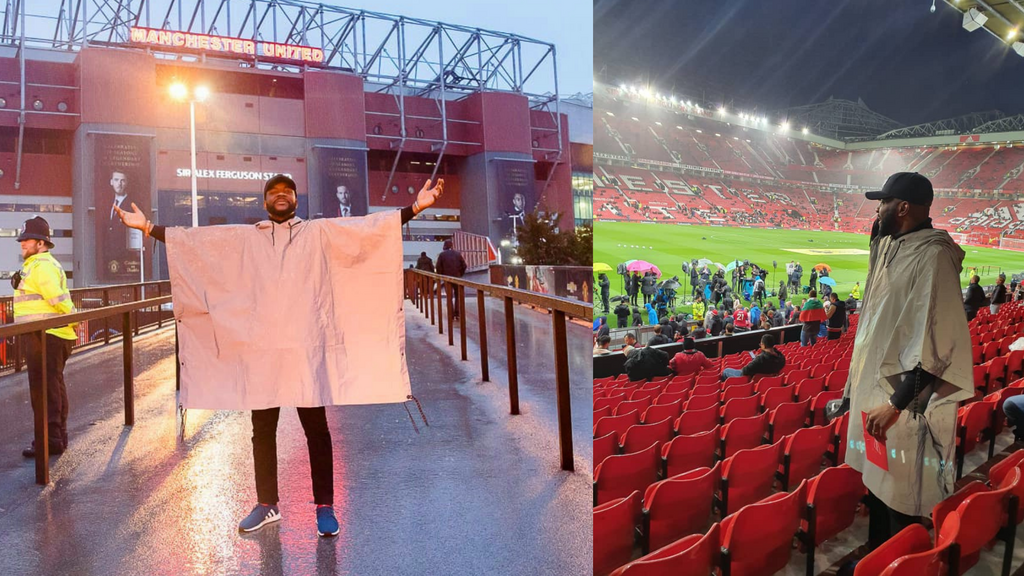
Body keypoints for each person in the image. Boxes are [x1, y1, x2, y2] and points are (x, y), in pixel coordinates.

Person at [115, 174, 445, 537]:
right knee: (262, 430)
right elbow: (197, 243)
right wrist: (147, 227)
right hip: (264, 352)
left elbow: (366, 231)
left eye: (287, 192)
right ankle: (267, 504)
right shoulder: (247, 238)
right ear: (265, 202)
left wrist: (416, 207)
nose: (281, 196)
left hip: (306, 350)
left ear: (296, 201)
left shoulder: (317, 234)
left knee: (316, 431)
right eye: (274, 193)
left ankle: (325, 506)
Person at [844, 171, 974, 554]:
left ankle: (904, 562)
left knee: (901, 497)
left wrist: (895, 404)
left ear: (902, 207)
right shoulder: (893, 243)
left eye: (883, 202)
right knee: (876, 488)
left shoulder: (933, 255)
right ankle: (876, 558)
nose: (877, 210)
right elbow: (877, 236)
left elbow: (940, 345)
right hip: (876, 396)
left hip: (901, 405)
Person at [14, 217, 77, 458]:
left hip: (46, 335)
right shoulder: (39, 265)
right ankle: (57, 438)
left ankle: (48, 441)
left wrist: (73, 318)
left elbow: (58, 299)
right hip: (50, 334)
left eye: (28, 239)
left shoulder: (41, 266)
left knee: (43, 391)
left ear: (41, 243)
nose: (22, 243)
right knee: (53, 387)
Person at [719, 334, 785, 381]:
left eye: (761, 344)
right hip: (767, 382)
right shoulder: (781, 358)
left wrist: (755, 359)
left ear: (764, 345)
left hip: (750, 379)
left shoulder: (760, 359)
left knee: (726, 371)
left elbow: (745, 371)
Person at [436, 238, 468, 319]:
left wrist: (441, 276)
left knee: (449, 297)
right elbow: (464, 266)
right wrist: (460, 274)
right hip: (457, 278)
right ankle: (457, 313)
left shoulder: (442, 255)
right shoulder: (457, 254)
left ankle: (451, 314)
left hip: (447, 278)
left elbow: (438, 267)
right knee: (458, 295)